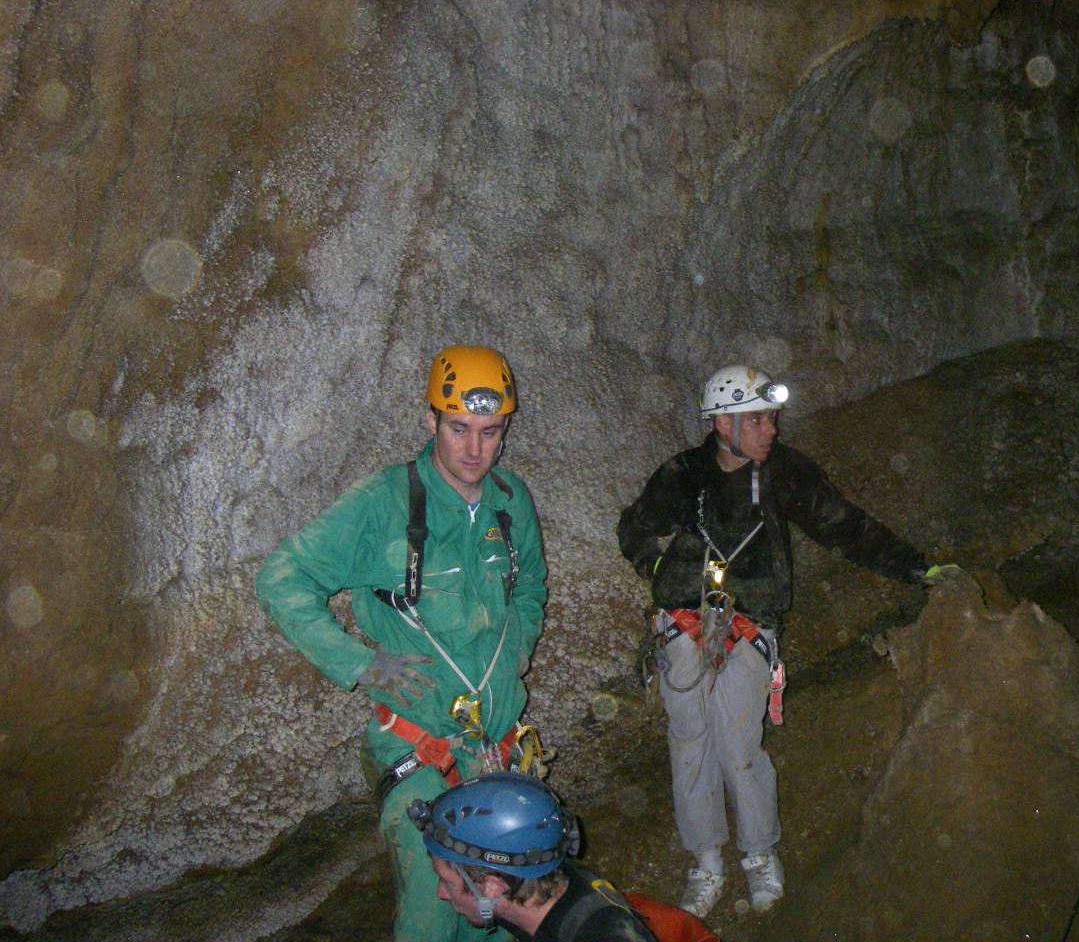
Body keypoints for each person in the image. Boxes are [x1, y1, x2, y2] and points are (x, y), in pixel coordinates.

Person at [616, 364, 943, 918]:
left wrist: (916, 569)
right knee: (689, 739)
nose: (771, 429)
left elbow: (843, 525)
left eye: (771, 417)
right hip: (683, 626)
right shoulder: (683, 474)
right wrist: (666, 574)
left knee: (738, 743)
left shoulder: (783, 473)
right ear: (722, 423)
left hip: (748, 626)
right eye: (758, 419)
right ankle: (706, 860)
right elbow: (634, 530)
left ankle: (759, 853)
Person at [256, 344, 548, 942]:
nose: (475, 450)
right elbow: (281, 578)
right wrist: (359, 663)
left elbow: (531, 586)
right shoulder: (384, 504)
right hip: (421, 752)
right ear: (430, 421)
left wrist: (519, 642)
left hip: (496, 751)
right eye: (459, 429)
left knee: (501, 919)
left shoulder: (511, 503)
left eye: (491, 433)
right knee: (433, 916)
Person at [412, 773, 717, 942]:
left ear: (492, 888)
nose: (441, 893)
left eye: (447, 882)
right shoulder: (542, 883)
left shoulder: (597, 935)